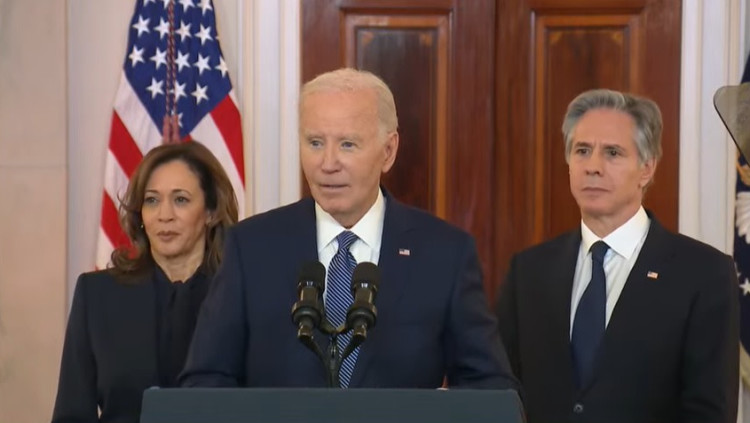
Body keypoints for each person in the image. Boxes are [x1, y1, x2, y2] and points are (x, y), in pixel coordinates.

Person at [180, 68, 518, 390]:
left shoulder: (444, 255)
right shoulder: (251, 247)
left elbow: (492, 388)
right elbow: (204, 381)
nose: (327, 164)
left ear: (388, 151)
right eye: (315, 143)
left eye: (347, 144)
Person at [495, 89, 739, 422]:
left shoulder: (704, 273)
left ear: (646, 168)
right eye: (582, 150)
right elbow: (500, 389)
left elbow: (709, 412)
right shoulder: (529, 271)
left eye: (612, 153)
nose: (593, 167)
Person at [52, 141, 239, 423]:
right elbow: (72, 414)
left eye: (181, 200)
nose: (165, 215)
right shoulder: (98, 295)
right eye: (152, 200)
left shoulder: (238, 296)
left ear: (211, 213)